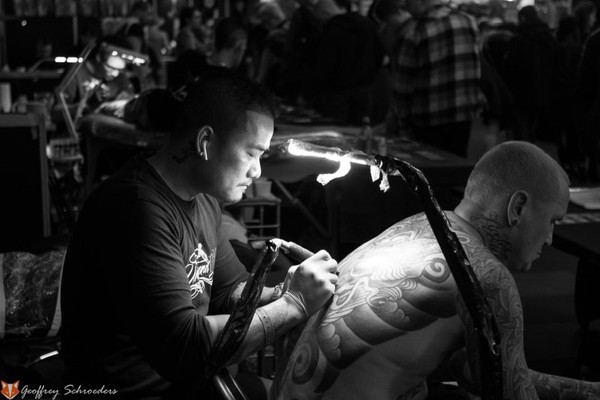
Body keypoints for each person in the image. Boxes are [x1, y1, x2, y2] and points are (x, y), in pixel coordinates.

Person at [60, 69, 339, 399]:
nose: (257, 171)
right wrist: (293, 304)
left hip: (194, 381)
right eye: (251, 153)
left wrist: (286, 289)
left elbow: (229, 291)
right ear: (205, 142)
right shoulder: (135, 209)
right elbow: (185, 349)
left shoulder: (203, 198)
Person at [272, 141, 600, 400]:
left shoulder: (416, 225)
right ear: (518, 207)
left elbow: (482, 373)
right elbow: (510, 393)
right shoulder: (486, 277)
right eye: (552, 221)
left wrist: (587, 390)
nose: (550, 238)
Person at [392, 0, 485, 157]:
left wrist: (403, 125)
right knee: (455, 163)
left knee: (426, 167)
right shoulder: (468, 21)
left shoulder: (414, 32)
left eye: (408, 4)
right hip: (463, 112)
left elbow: (403, 86)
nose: (407, 10)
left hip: (427, 118)